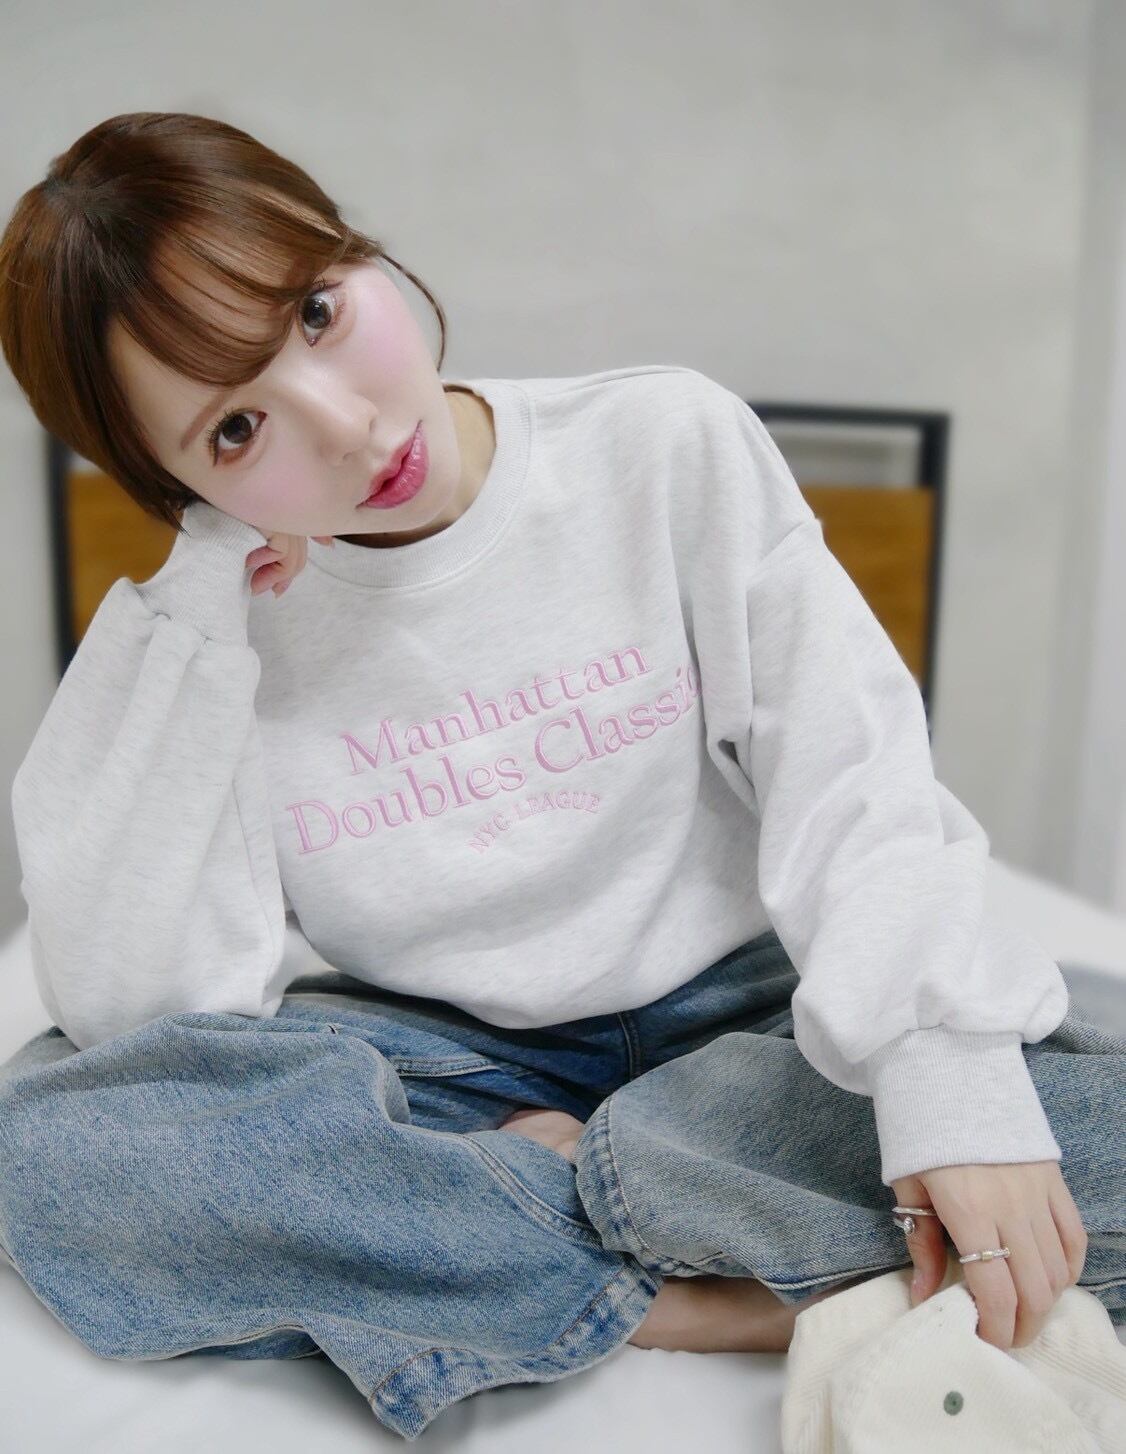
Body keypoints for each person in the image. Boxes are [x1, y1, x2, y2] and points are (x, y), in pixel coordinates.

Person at [0, 111, 1120, 1441]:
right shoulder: (226, 624)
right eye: (235, 430)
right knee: (53, 1145)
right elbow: (146, 1017)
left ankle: (574, 1209)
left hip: (752, 1029)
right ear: (171, 481)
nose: (345, 427)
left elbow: (854, 782)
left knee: (1008, 1068)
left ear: (352, 247)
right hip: (456, 1062)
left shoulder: (662, 444)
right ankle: (686, 1281)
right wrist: (198, 604)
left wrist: (944, 1080)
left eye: (315, 313)